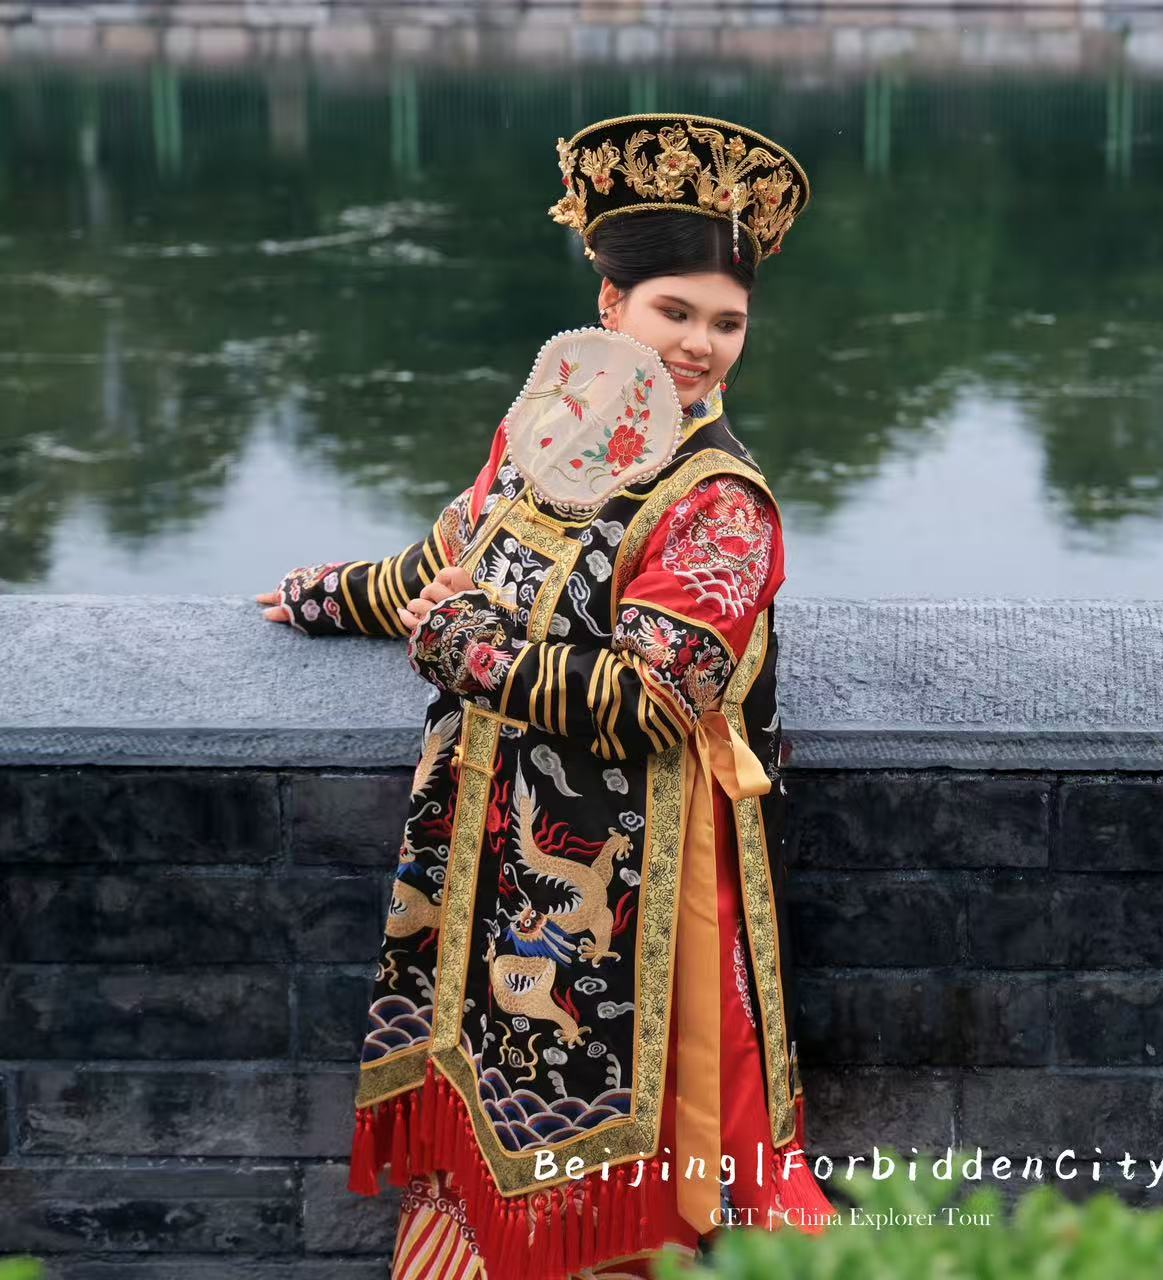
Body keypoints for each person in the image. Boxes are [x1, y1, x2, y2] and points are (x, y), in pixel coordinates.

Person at [254, 113, 833, 1280]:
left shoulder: (719, 500)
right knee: (495, 1057)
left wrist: (469, 657)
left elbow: (657, 696)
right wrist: (340, 595)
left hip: (642, 862)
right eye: (676, 312)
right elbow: (453, 565)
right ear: (611, 307)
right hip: (505, 823)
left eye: (726, 323)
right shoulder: (555, 432)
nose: (701, 346)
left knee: (618, 1097)